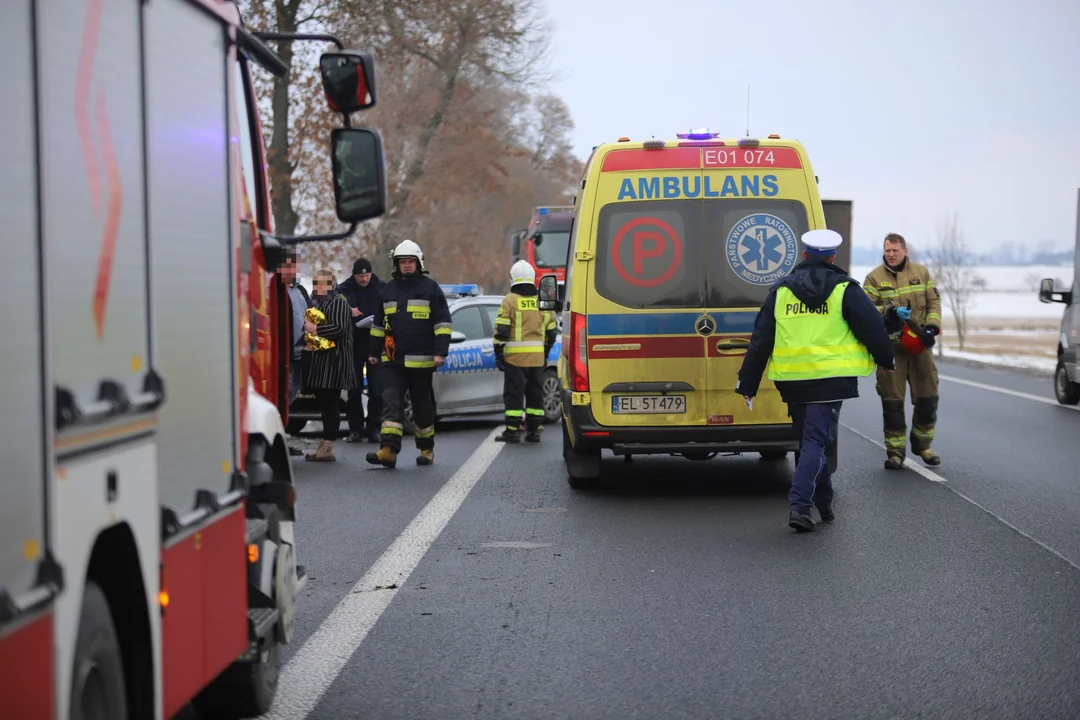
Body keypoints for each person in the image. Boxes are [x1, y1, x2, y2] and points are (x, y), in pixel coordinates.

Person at [736, 229, 896, 532]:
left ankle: (823, 500)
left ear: (805, 255)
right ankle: (800, 506)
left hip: (793, 381)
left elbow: (761, 339)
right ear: (832, 257)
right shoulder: (845, 290)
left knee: (812, 441)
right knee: (814, 442)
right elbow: (873, 328)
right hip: (831, 380)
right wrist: (886, 360)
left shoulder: (781, 291)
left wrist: (748, 383)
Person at [366, 240, 451, 468]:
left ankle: (426, 449)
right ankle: (388, 450)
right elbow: (378, 324)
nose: (406, 266)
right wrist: (373, 351)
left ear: (418, 263)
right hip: (393, 360)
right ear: (396, 264)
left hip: (422, 362)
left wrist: (440, 352)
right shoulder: (388, 289)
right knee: (390, 402)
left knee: (421, 405)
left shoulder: (430, 288)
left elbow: (442, 322)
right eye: (402, 262)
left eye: (410, 262)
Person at [863, 232, 943, 469]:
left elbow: (934, 303)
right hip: (891, 349)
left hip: (919, 346)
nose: (891, 254)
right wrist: (888, 312)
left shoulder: (922, 273)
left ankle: (923, 446)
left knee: (928, 397)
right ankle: (895, 453)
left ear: (905, 251)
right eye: (887, 250)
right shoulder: (873, 278)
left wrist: (931, 327)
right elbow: (867, 309)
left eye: (895, 250)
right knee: (893, 402)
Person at [493, 260, 558, 443]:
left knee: (514, 394)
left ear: (512, 278)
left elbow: (502, 331)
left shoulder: (509, 301)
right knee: (535, 393)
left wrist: (499, 353)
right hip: (537, 359)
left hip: (514, 359)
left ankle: (513, 431)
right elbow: (552, 332)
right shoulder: (542, 300)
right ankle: (534, 430)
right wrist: (544, 352)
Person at [302, 269, 355, 462]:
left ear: (332, 284)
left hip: (335, 363)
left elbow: (339, 329)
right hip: (323, 362)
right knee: (325, 404)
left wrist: (315, 329)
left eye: (323, 283)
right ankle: (325, 445)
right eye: (316, 283)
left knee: (331, 404)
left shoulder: (338, 302)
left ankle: (328, 446)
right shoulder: (320, 303)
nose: (319, 287)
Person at [337, 257, 385, 444]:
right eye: (360, 276)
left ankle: (374, 429)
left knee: (377, 390)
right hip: (353, 345)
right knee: (354, 390)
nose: (364, 279)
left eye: (367, 275)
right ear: (354, 275)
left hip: (375, 345)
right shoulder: (344, 289)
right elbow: (335, 309)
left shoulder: (381, 287)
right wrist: (348, 313)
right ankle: (355, 430)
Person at [276, 248, 312, 456]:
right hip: (283, 354)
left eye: (294, 265)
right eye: (289, 265)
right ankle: (279, 441)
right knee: (283, 395)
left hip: (300, 353)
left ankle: (283, 438)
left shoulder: (300, 290)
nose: (292, 269)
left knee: (290, 395)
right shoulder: (277, 290)